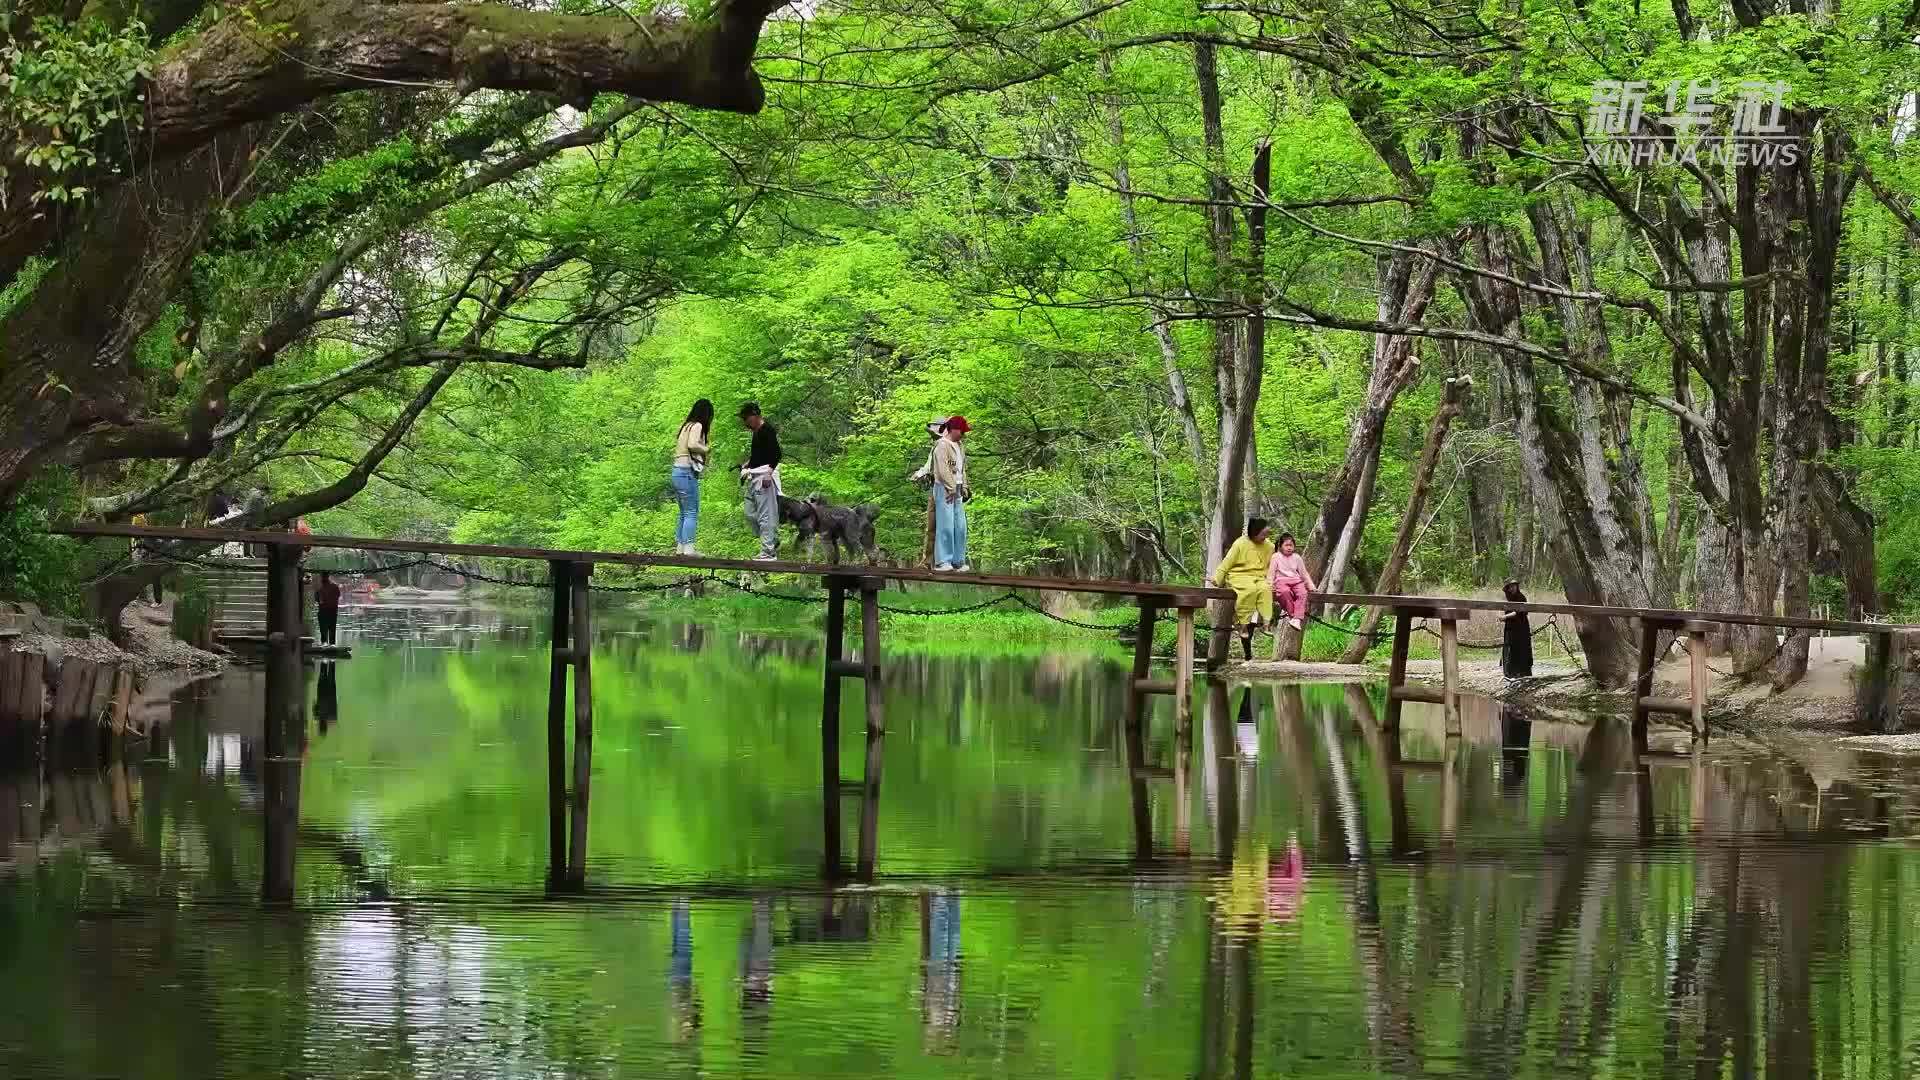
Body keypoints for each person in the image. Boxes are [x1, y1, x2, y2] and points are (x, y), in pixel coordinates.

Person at [1210, 517, 1276, 660]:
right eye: (1262, 535)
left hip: (1260, 579)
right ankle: (1242, 626)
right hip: (1240, 577)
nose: (1264, 538)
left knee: (1265, 590)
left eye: (1266, 535)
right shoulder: (1240, 543)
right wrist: (1217, 578)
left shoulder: (1270, 547)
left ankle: (1266, 623)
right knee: (1250, 590)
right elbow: (1227, 563)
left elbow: (1274, 566)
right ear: (1254, 533)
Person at [737, 402, 783, 561]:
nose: (745, 422)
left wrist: (769, 474)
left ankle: (768, 552)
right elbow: (761, 454)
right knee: (749, 513)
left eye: (746, 418)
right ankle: (773, 539)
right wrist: (748, 463)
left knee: (765, 516)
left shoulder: (767, 430)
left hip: (764, 476)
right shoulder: (756, 432)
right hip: (753, 475)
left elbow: (776, 453)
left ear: (755, 416)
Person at [671, 399, 713, 556]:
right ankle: (689, 548)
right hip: (686, 472)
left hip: (676, 472)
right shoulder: (697, 426)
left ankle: (680, 547)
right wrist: (706, 449)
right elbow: (693, 444)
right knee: (691, 512)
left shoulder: (686, 426)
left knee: (683, 512)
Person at [932, 415, 971, 571]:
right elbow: (942, 469)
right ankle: (942, 561)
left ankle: (957, 560)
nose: (963, 434)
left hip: (958, 488)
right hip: (945, 489)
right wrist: (951, 487)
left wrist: (965, 487)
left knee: (960, 526)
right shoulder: (941, 445)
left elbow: (962, 469)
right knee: (946, 525)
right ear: (954, 429)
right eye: (962, 431)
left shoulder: (959, 445)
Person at [911, 420, 947, 567]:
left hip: (948, 492)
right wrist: (918, 475)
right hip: (935, 491)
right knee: (931, 527)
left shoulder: (951, 446)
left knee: (947, 528)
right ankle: (927, 561)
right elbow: (928, 466)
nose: (931, 436)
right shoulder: (935, 448)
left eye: (933, 433)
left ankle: (946, 561)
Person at [1266, 533, 1317, 632]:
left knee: (1302, 593)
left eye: (1291, 545)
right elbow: (1271, 573)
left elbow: (1304, 573)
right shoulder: (1276, 556)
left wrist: (1311, 585)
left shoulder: (1297, 557)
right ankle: (1293, 616)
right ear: (1280, 546)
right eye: (1286, 545)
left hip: (1296, 581)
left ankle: (1297, 619)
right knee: (1284, 592)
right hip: (1281, 581)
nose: (1289, 548)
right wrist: (1270, 584)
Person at [1500, 579, 1533, 678]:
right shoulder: (1509, 598)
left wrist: (1505, 617)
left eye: (1514, 586)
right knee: (1510, 647)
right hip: (1510, 627)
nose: (1513, 588)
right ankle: (1510, 672)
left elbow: (1519, 612)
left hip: (1521, 627)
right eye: (1511, 586)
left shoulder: (1521, 597)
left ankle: (1523, 672)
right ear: (1508, 588)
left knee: (1521, 648)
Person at [316, 571, 342, 646]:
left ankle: (326, 643)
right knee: (330, 628)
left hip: (325, 609)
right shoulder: (334, 586)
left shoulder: (320, 587)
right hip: (330, 610)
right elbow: (337, 596)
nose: (322, 578)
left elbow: (317, 599)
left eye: (323, 577)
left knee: (325, 628)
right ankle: (331, 644)